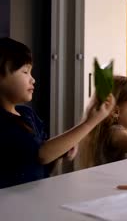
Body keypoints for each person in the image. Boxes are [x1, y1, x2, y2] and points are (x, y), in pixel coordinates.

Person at [0, 37, 115, 188]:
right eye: (25, 72)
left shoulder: (27, 114)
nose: (32, 79)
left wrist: (60, 151)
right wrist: (90, 122)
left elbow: (42, 159)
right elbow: (41, 155)